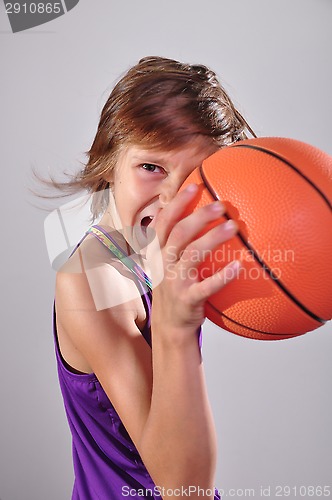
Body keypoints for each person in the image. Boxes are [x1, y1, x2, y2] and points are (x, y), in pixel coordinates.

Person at [53, 56, 255, 499]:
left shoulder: (160, 253)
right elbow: (185, 490)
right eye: (152, 168)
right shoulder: (89, 278)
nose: (172, 199)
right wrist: (176, 329)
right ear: (108, 164)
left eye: (198, 175)